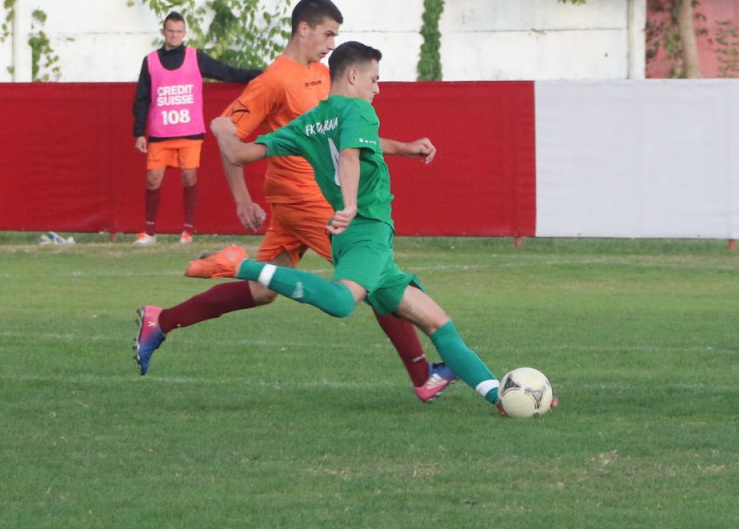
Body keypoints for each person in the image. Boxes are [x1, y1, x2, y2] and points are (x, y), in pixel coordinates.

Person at [134, 0, 457, 402]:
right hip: (305, 202)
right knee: (373, 279)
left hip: (307, 201)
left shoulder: (322, 74)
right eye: (328, 34)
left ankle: (161, 320)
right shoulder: (272, 81)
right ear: (303, 29)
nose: (332, 44)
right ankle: (423, 376)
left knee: (263, 290)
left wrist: (404, 147)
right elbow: (228, 134)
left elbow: (349, 138)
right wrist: (242, 199)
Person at [187, 41, 530, 415]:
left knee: (439, 325)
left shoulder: (309, 122)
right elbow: (350, 154)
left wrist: (222, 129)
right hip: (365, 231)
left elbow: (238, 154)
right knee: (339, 302)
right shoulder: (359, 110)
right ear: (353, 75)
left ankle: (500, 398)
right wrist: (350, 204)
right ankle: (239, 265)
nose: (377, 88)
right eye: (374, 79)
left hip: (363, 242)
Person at [131, 11, 259, 245]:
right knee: (153, 180)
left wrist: (259, 75)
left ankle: (187, 231)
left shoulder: (195, 57)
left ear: (184, 33)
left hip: (189, 131)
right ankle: (149, 231)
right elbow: (142, 98)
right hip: (160, 132)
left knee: (189, 177)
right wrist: (139, 132)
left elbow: (227, 72)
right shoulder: (150, 61)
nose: (174, 35)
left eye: (179, 31)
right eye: (171, 31)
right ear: (163, 32)